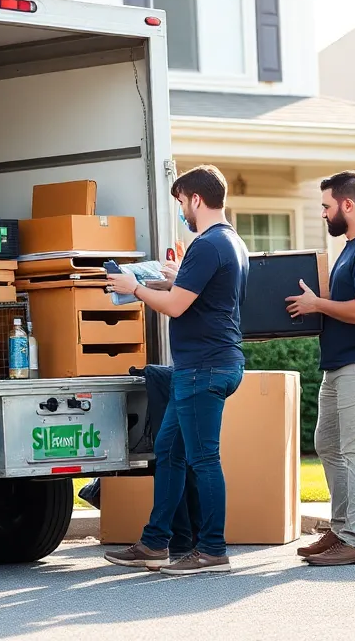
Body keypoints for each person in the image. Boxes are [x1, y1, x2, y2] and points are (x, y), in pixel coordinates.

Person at [103, 164, 249, 575]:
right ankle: (155, 543)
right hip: (207, 365)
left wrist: (134, 288)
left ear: (196, 199)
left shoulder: (207, 245)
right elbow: (195, 295)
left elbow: (176, 307)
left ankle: (213, 551)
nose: (182, 211)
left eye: (182, 202)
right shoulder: (231, 241)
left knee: (203, 460)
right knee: (168, 450)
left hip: (204, 368)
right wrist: (171, 279)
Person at [286, 171, 355, 566]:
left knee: (354, 449)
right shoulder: (354, 248)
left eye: (326, 206)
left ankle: (354, 539)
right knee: (329, 445)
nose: (323, 214)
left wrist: (319, 304)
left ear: (347, 205)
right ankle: (340, 530)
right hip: (340, 364)